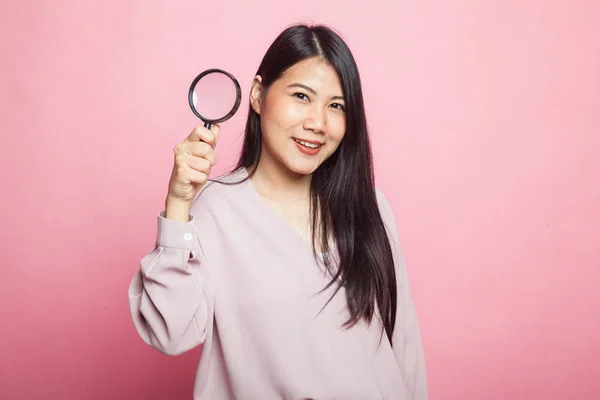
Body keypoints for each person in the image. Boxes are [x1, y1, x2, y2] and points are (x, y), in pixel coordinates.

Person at [128, 23, 428, 400]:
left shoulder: (370, 206)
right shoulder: (214, 213)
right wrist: (177, 205)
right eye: (301, 96)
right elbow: (169, 332)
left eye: (336, 106)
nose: (317, 123)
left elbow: (403, 344)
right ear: (257, 95)